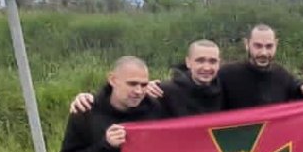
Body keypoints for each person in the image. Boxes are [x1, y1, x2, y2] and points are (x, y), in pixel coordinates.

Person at [70, 39, 224, 118]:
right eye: (200, 60)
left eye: (212, 61)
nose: (206, 67)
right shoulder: (163, 91)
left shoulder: (227, 87)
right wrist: (91, 100)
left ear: (219, 63)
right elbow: (123, 104)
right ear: (188, 62)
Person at [218, 24, 303, 109]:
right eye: (258, 46)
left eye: (269, 46)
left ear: (276, 44)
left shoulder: (282, 76)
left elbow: (302, 96)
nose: (264, 53)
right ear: (246, 44)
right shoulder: (226, 75)